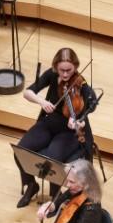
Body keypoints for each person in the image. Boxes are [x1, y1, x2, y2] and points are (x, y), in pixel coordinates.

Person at [14, 47, 97, 207]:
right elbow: (28, 92)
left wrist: (79, 121)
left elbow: (90, 106)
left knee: (52, 159)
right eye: (62, 70)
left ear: (76, 66)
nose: (65, 74)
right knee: (20, 150)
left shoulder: (81, 83)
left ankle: (55, 198)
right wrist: (42, 102)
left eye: (69, 70)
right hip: (49, 123)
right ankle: (31, 185)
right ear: (55, 66)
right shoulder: (51, 75)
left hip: (68, 132)